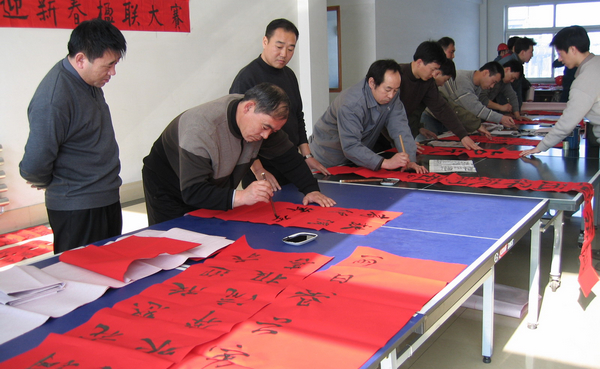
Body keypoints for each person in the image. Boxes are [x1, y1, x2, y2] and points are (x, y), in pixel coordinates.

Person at [142, 83, 335, 225]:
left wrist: (311, 189)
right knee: (174, 242)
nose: (266, 136)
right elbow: (193, 191)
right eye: (265, 127)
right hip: (169, 184)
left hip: (209, 183)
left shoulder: (262, 123)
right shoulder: (201, 129)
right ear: (248, 107)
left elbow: (289, 158)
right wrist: (242, 197)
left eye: (273, 130)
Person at [19, 19, 127, 254]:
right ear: (80, 60)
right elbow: (35, 162)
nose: (113, 72)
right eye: (108, 65)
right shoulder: (54, 98)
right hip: (77, 207)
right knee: (81, 271)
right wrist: (46, 181)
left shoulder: (89, 81)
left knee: (111, 266)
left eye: (115, 64)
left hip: (105, 197)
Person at [230, 18, 330, 192]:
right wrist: (258, 170)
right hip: (261, 166)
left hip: (288, 159)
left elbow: (298, 115)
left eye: (290, 49)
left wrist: (306, 155)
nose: (284, 54)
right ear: (265, 41)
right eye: (279, 46)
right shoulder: (247, 77)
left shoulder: (289, 75)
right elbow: (239, 131)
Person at [309, 59, 426, 173]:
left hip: (356, 160)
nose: (391, 95)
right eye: (388, 89)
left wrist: (409, 160)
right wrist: (386, 163)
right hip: (327, 159)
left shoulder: (392, 96)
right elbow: (350, 146)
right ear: (372, 83)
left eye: (396, 90)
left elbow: (400, 128)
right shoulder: (351, 103)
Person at [521, 26, 600, 157]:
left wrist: (540, 147)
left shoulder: (585, 80)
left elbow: (567, 123)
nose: (560, 59)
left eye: (560, 53)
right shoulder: (596, 63)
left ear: (573, 49)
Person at [399, 41, 478, 149]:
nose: (433, 75)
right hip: (384, 134)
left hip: (401, 134)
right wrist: (403, 140)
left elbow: (441, 108)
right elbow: (388, 113)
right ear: (419, 62)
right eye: (432, 69)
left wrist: (462, 135)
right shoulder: (397, 75)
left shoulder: (427, 82)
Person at [421, 59, 492, 139]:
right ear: (437, 73)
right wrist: (471, 128)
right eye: (445, 80)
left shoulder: (430, 87)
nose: (442, 85)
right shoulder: (424, 86)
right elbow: (448, 108)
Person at [453, 61, 516, 128]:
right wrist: (501, 118)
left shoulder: (478, 87)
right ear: (485, 73)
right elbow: (475, 108)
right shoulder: (462, 79)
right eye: (493, 82)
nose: (492, 86)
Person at [499, 37, 537, 108]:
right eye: (531, 52)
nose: (532, 55)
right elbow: (501, 92)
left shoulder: (516, 63)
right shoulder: (509, 64)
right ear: (523, 52)